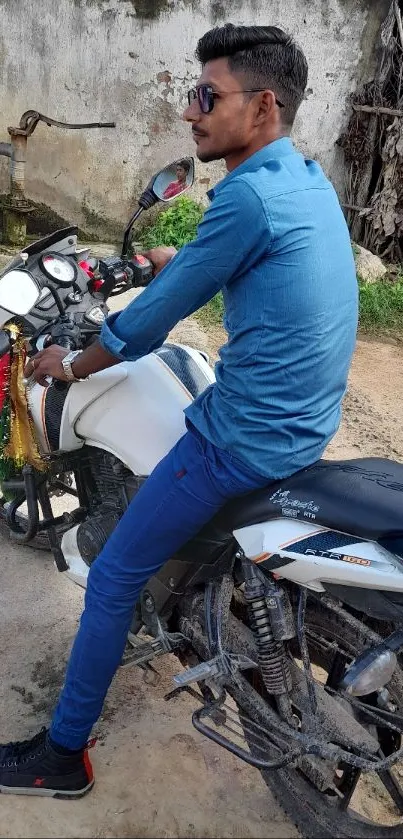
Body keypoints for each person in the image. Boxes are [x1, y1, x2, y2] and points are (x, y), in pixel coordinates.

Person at [0, 23, 358, 797]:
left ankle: (62, 756)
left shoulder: (247, 198)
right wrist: (178, 260)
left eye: (206, 96)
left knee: (113, 576)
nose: (190, 113)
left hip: (243, 442)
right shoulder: (302, 177)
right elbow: (253, 262)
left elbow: (140, 329)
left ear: (262, 106)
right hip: (304, 422)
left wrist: (70, 362)